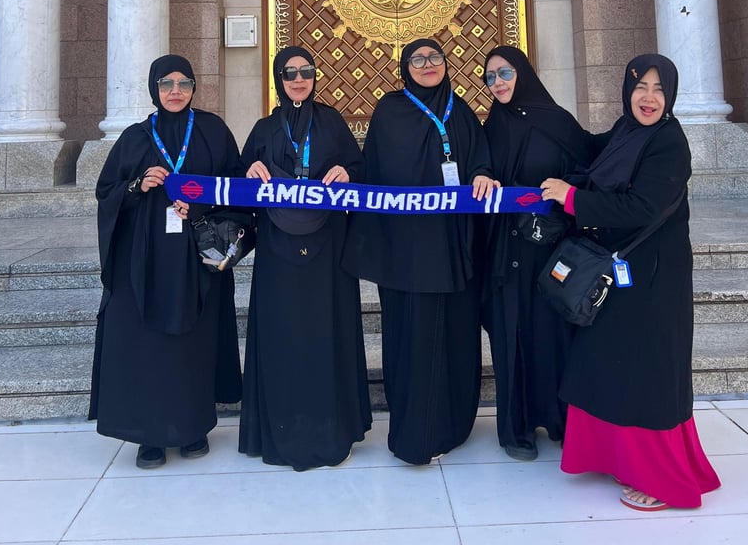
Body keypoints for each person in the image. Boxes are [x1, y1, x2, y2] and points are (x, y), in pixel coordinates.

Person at [541, 54, 721, 511]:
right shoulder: (626, 132)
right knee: (609, 363)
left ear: (671, 95)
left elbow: (642, 207)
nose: (649, 97)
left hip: (653, 280)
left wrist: (572, 198)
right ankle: (614, 457)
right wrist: (536, 110)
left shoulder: (668, 143)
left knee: (647, 373)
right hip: (621, 273)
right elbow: (588, 152)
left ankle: (662, 479)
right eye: (641, 86)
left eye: (659, 89)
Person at [342, 37, 496, 465]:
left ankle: (453, 423)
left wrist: (482, 173)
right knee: (412, 335)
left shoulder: (460, 110)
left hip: (454, 245)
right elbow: (373, 171)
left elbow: (480, 159)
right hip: (406, 252)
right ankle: (413, 428)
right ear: (404, 67)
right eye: (418, 59)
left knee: (455, 333)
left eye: (435, 57)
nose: (428, 65)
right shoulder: (389, 111)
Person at [89, 55, 243, 469]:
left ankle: (194, 427)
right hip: (145, 259)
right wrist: (138, 186)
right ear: (154, 89)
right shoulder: (135, 138)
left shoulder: (212, 131)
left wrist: (201, 205)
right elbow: (106, 193)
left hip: (197, 259)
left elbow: (236, 187)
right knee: (148, 344)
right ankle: (149, 436)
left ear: (194, 87)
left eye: (184, 83)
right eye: (166, 83)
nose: (175, 91)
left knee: (195, 341)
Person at [239, 45, 372, 470]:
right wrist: (249, 171)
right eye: (290, 73)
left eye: (306, 71)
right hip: (277, 251)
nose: (299, 79)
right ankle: (280, 432)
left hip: (327, 250)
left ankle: (332, 431)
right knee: (282, 334)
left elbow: (360, 167)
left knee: (327, 330)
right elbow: (238, 180)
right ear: (279, 79)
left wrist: (348, 172)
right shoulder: (264, 128)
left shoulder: (332, 122)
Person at [481, 46, 599, 460]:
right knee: (512, 336)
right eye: (490, 77)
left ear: (523, 73)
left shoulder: (557, 121)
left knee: (554, 336)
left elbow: (587, 169)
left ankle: (561, 420)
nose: (498, 83)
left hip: (551, 250)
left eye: (505, 73)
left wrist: (562, 191)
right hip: (507, 252)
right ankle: (517, 430)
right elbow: (479, 172)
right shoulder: (492, 126)